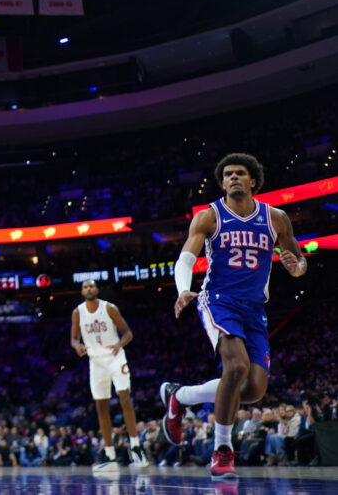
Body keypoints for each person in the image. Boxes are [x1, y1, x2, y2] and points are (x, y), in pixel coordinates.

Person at [160, 152, 307, 479]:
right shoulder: (209, 216)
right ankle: (222, 450)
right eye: (227, 174)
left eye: (239, 173)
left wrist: (297, 267)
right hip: (218, 301)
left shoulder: (276, 218)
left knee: (253, 390)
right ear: (223, 183)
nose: (233, 178)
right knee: (236, 367)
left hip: (254, 308)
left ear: (253, 180)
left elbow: (298, 260)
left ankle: (179, 396)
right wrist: (183, 289)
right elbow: (186, 258)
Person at [70, 279, 148, 470]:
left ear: (97, 290)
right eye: (85, 287)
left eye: (91, 286)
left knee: (125, 398)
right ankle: (110, 455)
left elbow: (128, 333)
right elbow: (73, 338)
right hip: (95, 362)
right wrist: (77, 346)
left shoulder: (109, 308)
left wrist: (119, 344)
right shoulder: (78, 312)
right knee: (101, 407)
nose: (88, 289)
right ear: (82, 291)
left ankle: (136, 447)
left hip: (115, 357)